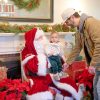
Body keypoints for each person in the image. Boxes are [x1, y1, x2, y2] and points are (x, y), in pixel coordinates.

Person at [21, 27, 83, 100]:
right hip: (38, 77)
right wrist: (43, 58)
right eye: (40, 38)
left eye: (43, 37)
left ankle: (65, 97)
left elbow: (58, 59)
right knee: (40, 88)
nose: (43, 39)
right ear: (33, 40)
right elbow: (34, 67)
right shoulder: (27, 51)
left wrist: (61, 59)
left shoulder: (47, 46)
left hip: (53, 73)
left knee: (68, 80)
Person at [61, 8, 100, 100]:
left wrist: (93, 65)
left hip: (97, 63)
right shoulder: (79, 30)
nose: (67, 25)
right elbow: (77, 48)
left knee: (98, 89)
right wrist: (68, 62)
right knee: (95, 88)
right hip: (98, 64)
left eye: (67, 22)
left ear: (72, 17)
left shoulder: (91, 23)